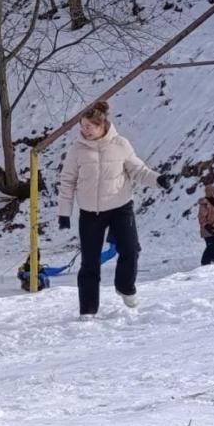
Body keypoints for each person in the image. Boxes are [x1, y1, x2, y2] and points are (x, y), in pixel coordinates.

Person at [57, 101, 170, 317]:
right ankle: (88, 310)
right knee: (89, 262)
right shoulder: (76, 150)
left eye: (89, 126)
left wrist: (158, 179)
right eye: (82, 126)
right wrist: (64, 213)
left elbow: (138, 170)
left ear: (102, 125)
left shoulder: (121, 144)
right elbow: (67, 181)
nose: (85, 131)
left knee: (130, 249)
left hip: (120, 207)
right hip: (90, 213)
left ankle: (125, 286)